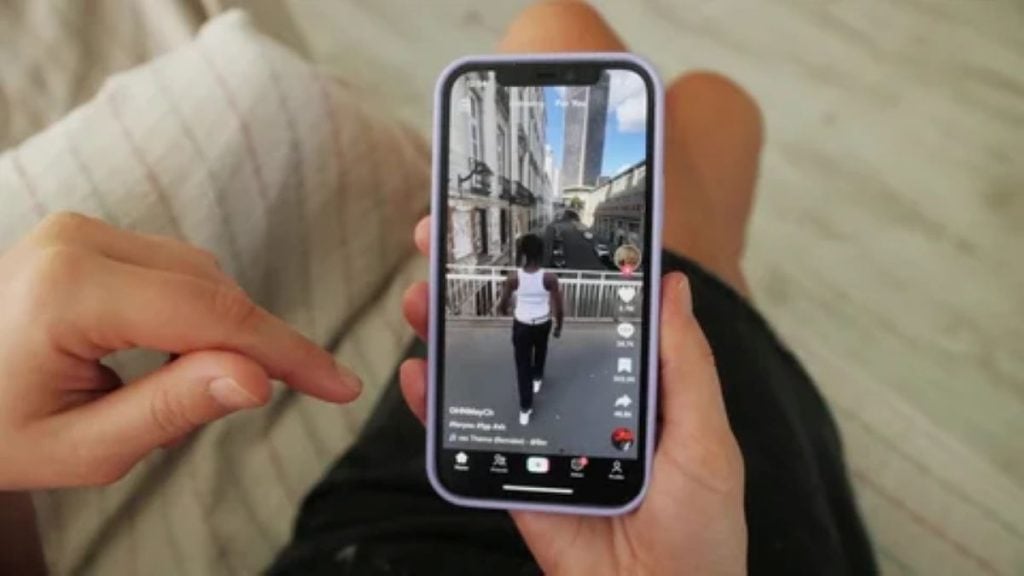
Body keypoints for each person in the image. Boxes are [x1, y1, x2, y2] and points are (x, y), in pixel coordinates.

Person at [0, 2, 876, 575]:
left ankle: (722, 265)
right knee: (683, 94)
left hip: (380, 538)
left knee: (672, 101)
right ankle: (726, 273)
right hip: (649, 536)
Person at [496, 233, 565, 425]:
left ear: (523, 252)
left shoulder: (513, 277)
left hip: (521, 326)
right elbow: (558, 306)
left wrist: (504, 309)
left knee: (522, 365)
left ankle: (525, 409)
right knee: (541, 351)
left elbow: (503, 305)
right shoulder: (549, 277)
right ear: (541, 253)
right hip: (543, 323)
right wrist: (559, 326)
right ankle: (537, 379)